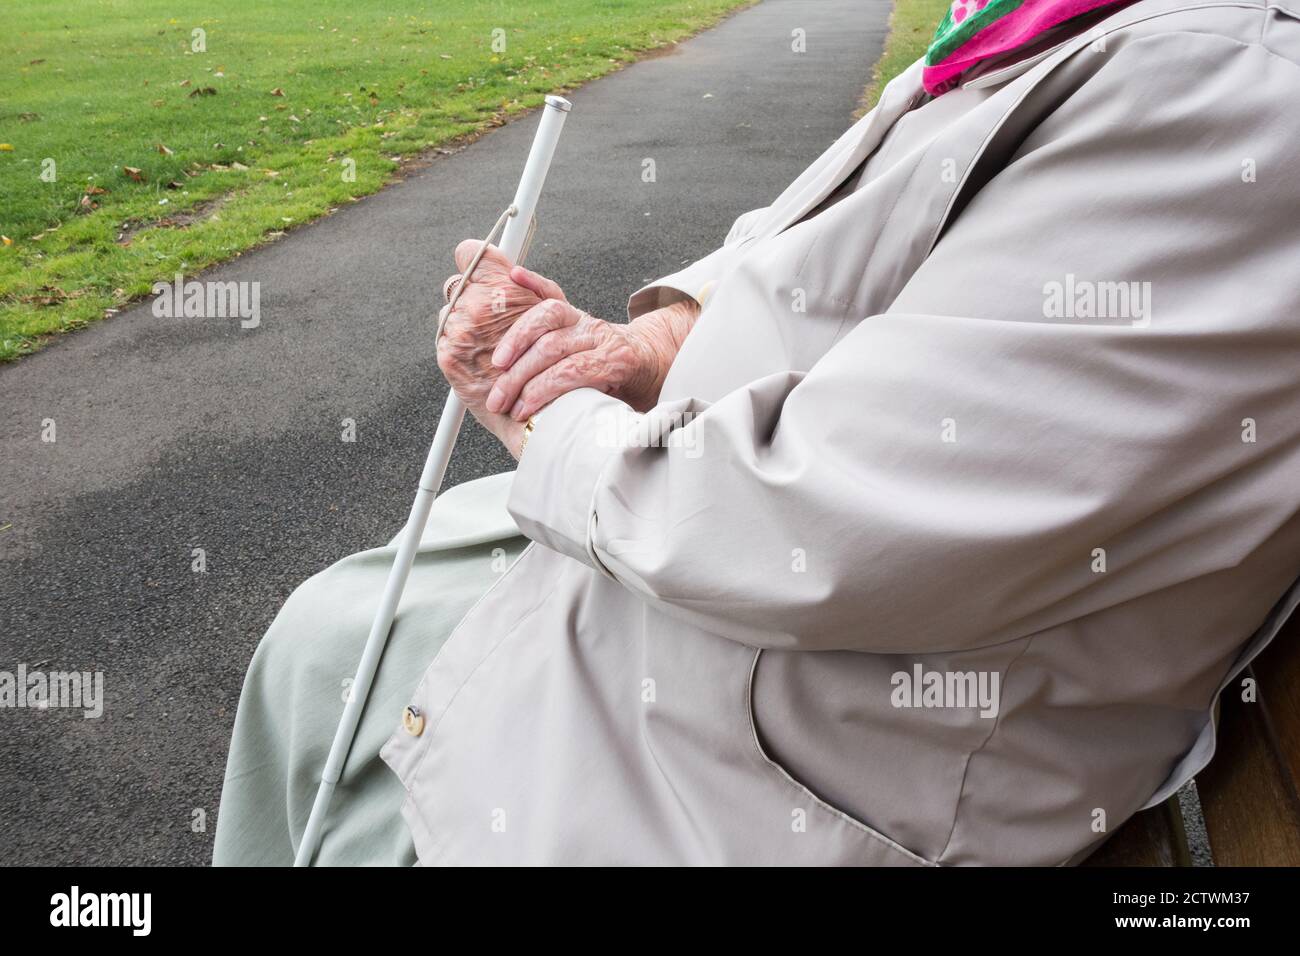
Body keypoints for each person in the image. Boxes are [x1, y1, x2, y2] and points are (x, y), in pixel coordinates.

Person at [214, 0, 1300, 865]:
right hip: (712, 637)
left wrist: (551, 416)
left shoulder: (1238, 91)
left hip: (756, 767)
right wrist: (646, 348)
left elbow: (813, 520)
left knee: (333, 656)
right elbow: (838, 245)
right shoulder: (1089, 27)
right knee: (330, 634)